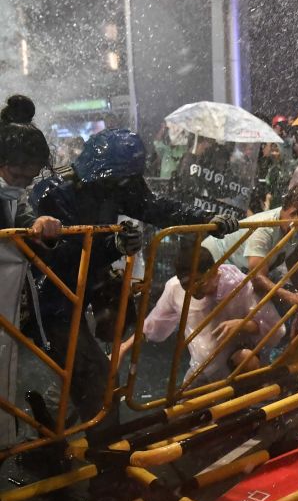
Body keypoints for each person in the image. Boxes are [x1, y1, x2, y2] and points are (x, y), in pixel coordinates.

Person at [29, 129, 239, 440]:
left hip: (80, 291)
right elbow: (57, 255)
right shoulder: (54, 191)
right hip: (49, 299)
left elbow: (156, 208)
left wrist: (205, 217)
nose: (118, 186)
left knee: (78, 370)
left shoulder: (117, 181)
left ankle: (45, 439)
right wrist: (113, 246)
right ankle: (104, 455)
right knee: (95, 377)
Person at [119, 240, 285, 384]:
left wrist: (244, 325)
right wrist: (124, 347)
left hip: (236, 367)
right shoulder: (176, 288)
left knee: (245, 359)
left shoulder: (239, 287)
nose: (193, 291)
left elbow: (276, 329)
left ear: (214, 272)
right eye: (186, 285)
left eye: (199, 283)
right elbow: (154, 323)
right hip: (201, 368)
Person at [0, 95, 62, 449]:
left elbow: (21, 216)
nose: (24, 181)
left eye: (30, 176)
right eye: (17, 174)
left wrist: (39, 223)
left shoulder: (14, 192)